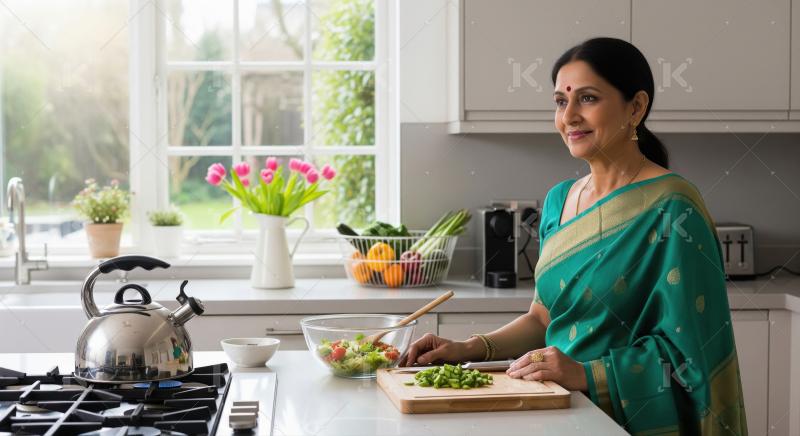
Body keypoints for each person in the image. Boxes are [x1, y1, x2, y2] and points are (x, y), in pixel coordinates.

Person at [400, 37, 747, 435]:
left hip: (626, 418)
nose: (569, 117)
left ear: (635, 107)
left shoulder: (672, 207)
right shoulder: (559, 200)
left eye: (587, 98)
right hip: (555, 408)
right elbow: (542, 317)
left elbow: (691, 354)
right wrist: (467, 349)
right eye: (561, 102)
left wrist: (588, 373)